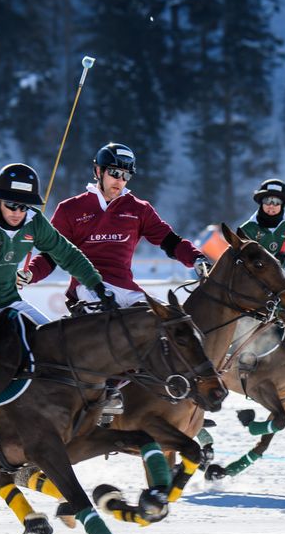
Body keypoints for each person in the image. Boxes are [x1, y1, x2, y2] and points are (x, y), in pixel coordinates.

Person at [20, 142, 210, 419]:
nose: (119, 181)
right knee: (117, 326)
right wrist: (30, 274)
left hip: (126, 289)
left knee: (170, 324)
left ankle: (183, 388)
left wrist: (196, 259)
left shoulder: (138, 209)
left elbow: (169, 240)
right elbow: (51, 256)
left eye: (125, 176)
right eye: (114, 173)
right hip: (88, 287)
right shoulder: (70, 209)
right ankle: (108, 390)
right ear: (98, 171)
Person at [0, 163, 116, 460]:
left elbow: (66, 253)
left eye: (24, 206)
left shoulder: (33, 222)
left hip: (7, 297)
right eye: (11, 204)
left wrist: (97, 285)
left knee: (54, 340)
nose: (17, 211)